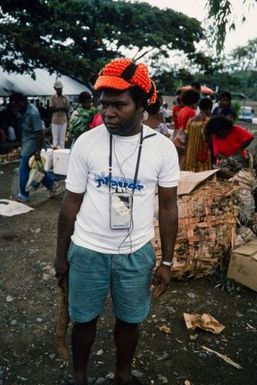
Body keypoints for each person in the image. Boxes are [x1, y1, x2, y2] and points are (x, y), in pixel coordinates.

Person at [55, 57, 179, 385]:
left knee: (129, 321)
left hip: (135, 254)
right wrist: (61, 256)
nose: (107, 112)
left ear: (142, 105)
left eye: (119, 105)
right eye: (103, 104)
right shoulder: (86, 142)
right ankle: (79, 376)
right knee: (83, 321)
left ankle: (123, 374)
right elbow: (70, 203)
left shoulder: (163, 150)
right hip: (87, 251)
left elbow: (168, 208)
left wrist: (166, 260)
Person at [10, 92, 58, 203]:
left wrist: (37, 151)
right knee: (36, 168)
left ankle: (23, 194)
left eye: (16, 105)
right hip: (26, 141)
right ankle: (51, 185)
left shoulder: (33, 113)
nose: (14, 107)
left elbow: (39, 134)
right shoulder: (22, 110)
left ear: (22, 102)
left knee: (24, 168)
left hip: (33, 142)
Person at [184, 97, 213, 172]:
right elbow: (208, 140)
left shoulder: (190, 120)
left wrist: (186, 152)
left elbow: (186, 138)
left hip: (190, 154)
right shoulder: (208, 121)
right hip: (202, 155)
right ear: (209, 109)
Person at [50, 80, 69, 148]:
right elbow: (51, 109)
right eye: (58, 89)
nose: (60, 90)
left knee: (62, 139)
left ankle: (61, 153)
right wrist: (61, 108)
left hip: (63, 120)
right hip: (55, 121)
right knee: (55, 139)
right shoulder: (52, 98)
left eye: (61, 89)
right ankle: (55, 153)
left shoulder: (65, 97)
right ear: (55, 89)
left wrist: (61, 108)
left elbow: (67, 108)